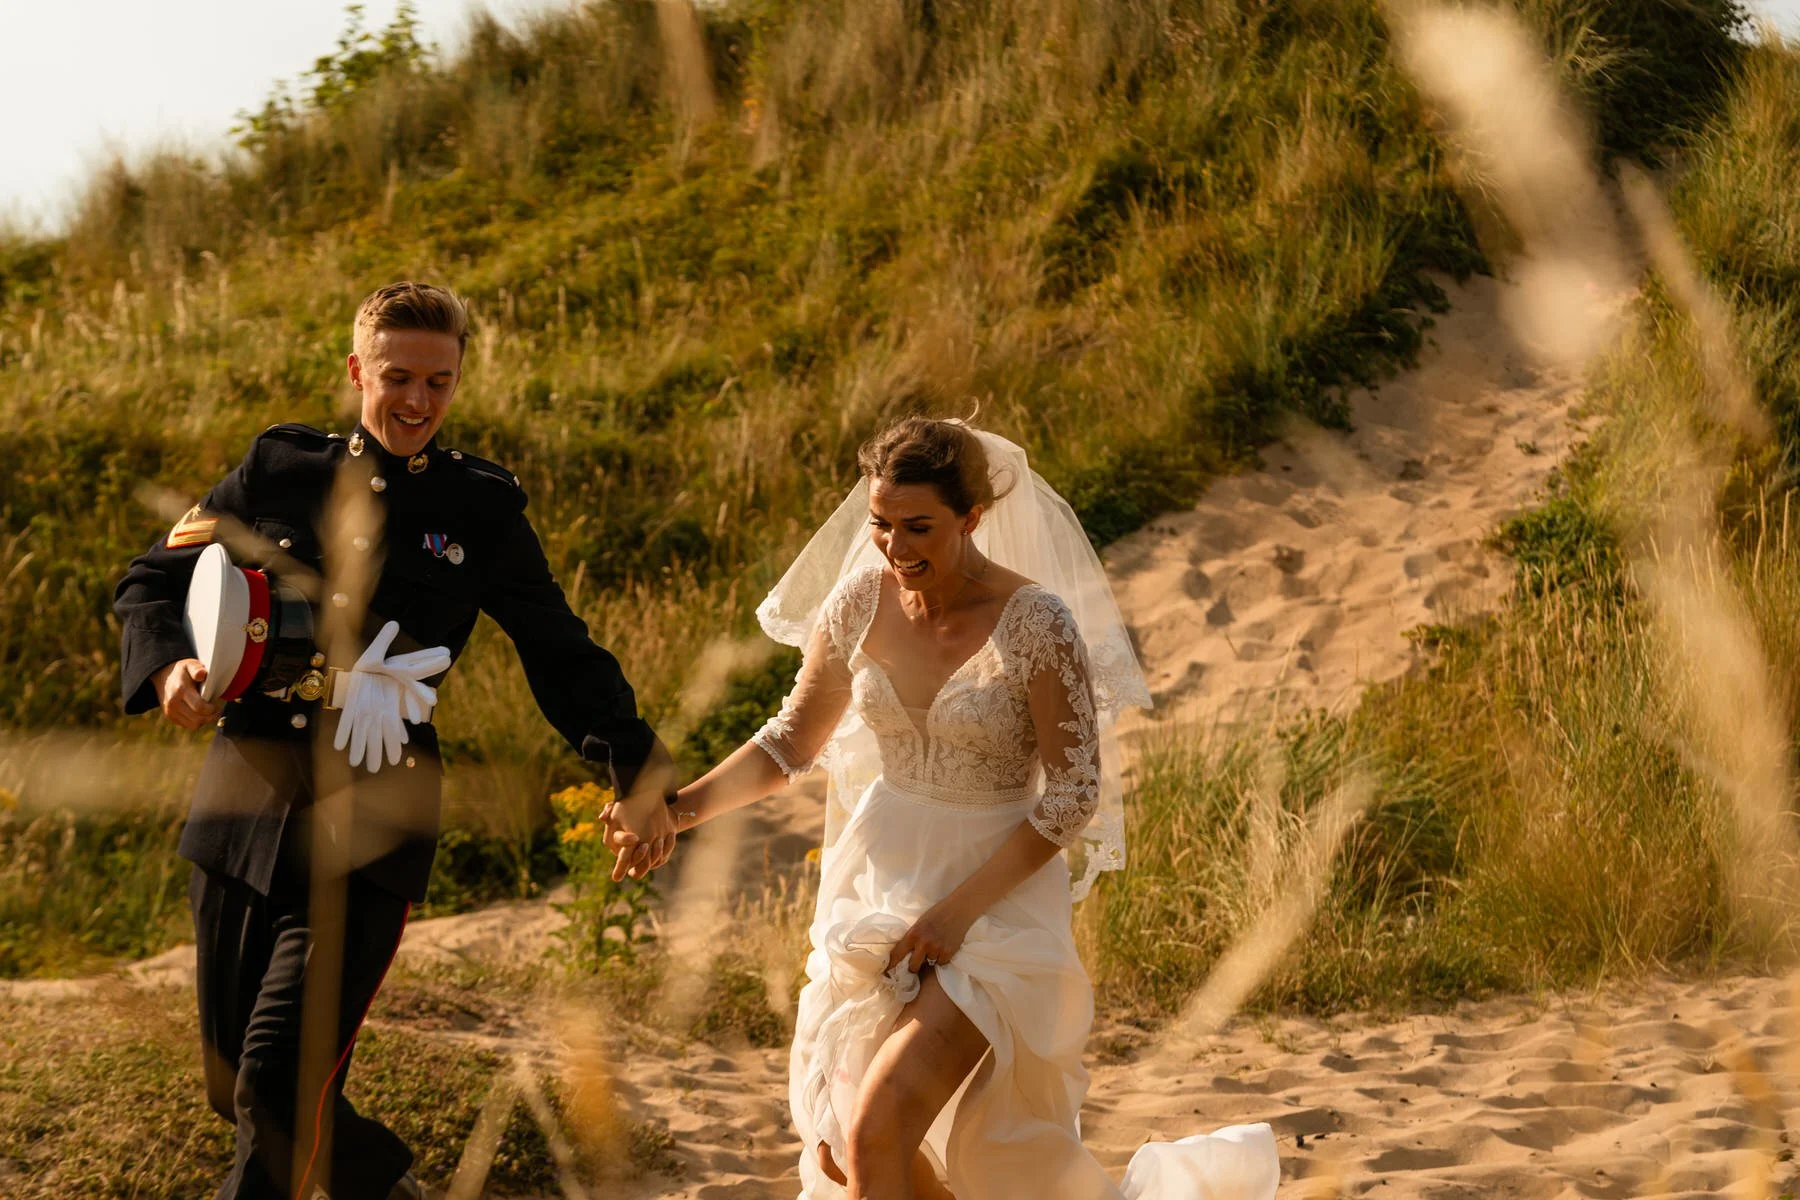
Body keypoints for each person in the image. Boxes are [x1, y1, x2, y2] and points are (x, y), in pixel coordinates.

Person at [604, 418, 1280, 1199]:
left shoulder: (1035, 622)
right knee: (840, 1149)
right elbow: (791, 741)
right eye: (881, 525)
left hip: (994, 900)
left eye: (918, 527)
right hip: (878, 881)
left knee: (877, 1123)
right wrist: (675, 812)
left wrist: (956, 916)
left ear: (972, 517)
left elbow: (1072, 795)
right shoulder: (860, 602)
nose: (895, 547)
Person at [113, 281, 678, 1200]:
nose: (417, 401)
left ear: (459, 381)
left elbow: (559, 649)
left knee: (279, 1085)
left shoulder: (482, 507)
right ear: (356, 372)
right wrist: (172, 664)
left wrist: (636, 769)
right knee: (237, 1089)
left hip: (375, 813)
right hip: (243, 804)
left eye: (439, 382)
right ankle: (382, 1184)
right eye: (398, 378)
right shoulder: (279, 468)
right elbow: (152, 579)